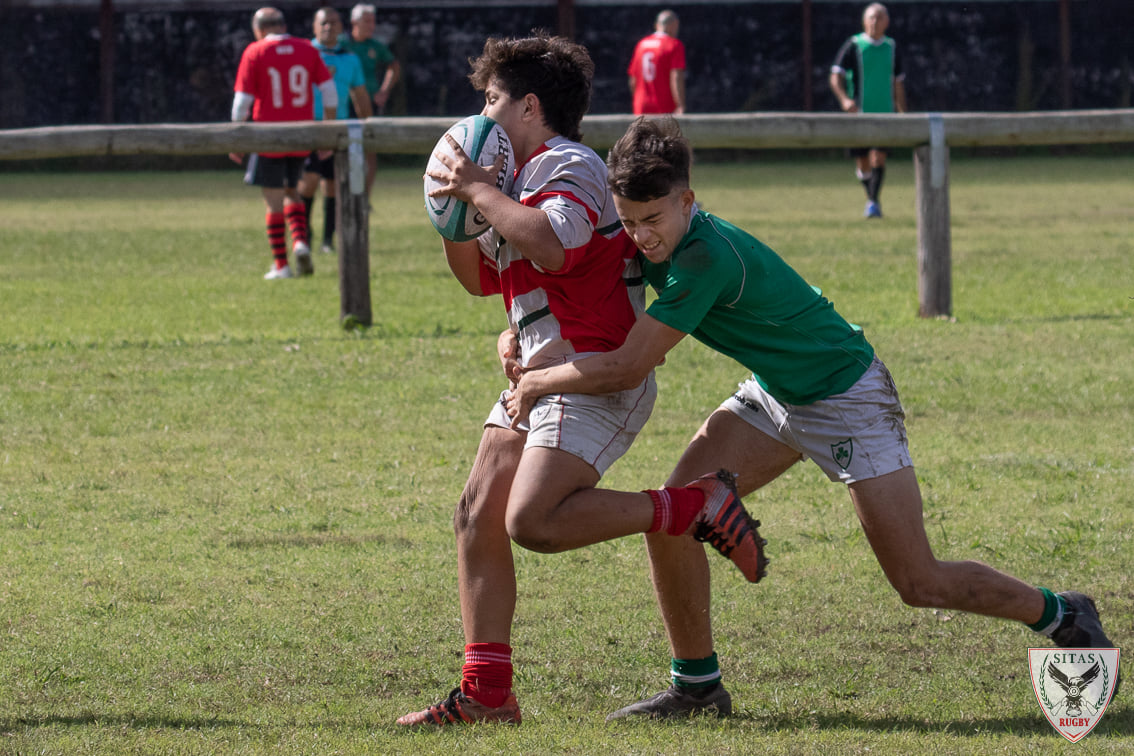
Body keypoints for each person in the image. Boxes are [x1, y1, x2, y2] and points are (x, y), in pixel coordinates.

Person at [507, 116, 1119, 720]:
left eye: (653, 219)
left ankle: (1061, 612)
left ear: (687, 200)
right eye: (629, 221)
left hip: (847, 396)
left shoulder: (705, 257)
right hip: (776, 394)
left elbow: (629, 366)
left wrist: (536, 380)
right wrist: (515, 333)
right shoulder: (649, 236)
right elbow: (573, 284)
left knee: (918, 582)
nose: (641, 236)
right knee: (676, 515)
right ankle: (697, 688)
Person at [396, 34, 765, 728]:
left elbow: (555, 245)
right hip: (540, 375)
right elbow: (478, 279)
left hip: (593, 373)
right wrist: (452, 211)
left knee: (532, 521)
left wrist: (479, 189)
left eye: (492, 99)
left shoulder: (569, 163)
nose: (481, 113)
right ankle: (487, 694)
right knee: (477, 514)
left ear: (529, 106)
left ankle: (691, 507)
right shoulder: (512, 183)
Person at [231, 7, 337, 279]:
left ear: (258, 29)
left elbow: (242, 103)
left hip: (268, 138)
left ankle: (281, 265)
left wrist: (236, 138)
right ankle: (300, 242)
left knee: (273, 202)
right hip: (301, 137)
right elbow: (329, 92)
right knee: (293, 192)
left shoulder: (255, 52)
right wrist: (327, 130)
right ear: (283, 25)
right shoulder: (307, 49)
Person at [297, 6, 373, 256]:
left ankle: (327, 240)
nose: (328, 27)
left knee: (332, 186)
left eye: (333, 22)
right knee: (308, 182)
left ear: (341, 27)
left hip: (338, 129)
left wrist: (369, 126)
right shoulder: (304, 53)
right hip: (308, 128)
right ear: (314, 26)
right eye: (323, 23)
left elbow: (359, 94)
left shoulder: (350, 59)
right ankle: (303, 235)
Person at [829, 2, 907, 219]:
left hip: (885, 115)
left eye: (879, 18)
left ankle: (873, 203)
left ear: (886, 22)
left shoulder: (892, 47)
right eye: (871, 17)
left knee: (878, 158)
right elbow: (835, 76)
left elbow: (898, 83)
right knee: (863, 162)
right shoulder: (854, 45)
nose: (874, 22)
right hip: (858, 115)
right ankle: (872, 199)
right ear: (864, 21)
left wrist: (902, 111)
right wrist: (845, 100)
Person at [340, 3, 401, 193]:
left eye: (373, 21)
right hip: (344, 105)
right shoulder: (341, 44)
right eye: (367, 21)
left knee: (369, 149)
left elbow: (394, 66)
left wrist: (384, 90)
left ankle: (364, 197)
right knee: (343, 150)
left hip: (369, 105)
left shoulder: (375, 46)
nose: (371, 25)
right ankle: (346, 194)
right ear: (354, 22)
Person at [627, 9, 687, 115]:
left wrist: (638, 100)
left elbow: (633, 81)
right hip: (664, 105)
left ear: (656, 25)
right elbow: (676, 77)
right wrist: (680, 104)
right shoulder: (674, 45)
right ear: (674, 25)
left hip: (641, 105)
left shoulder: (641, 45)